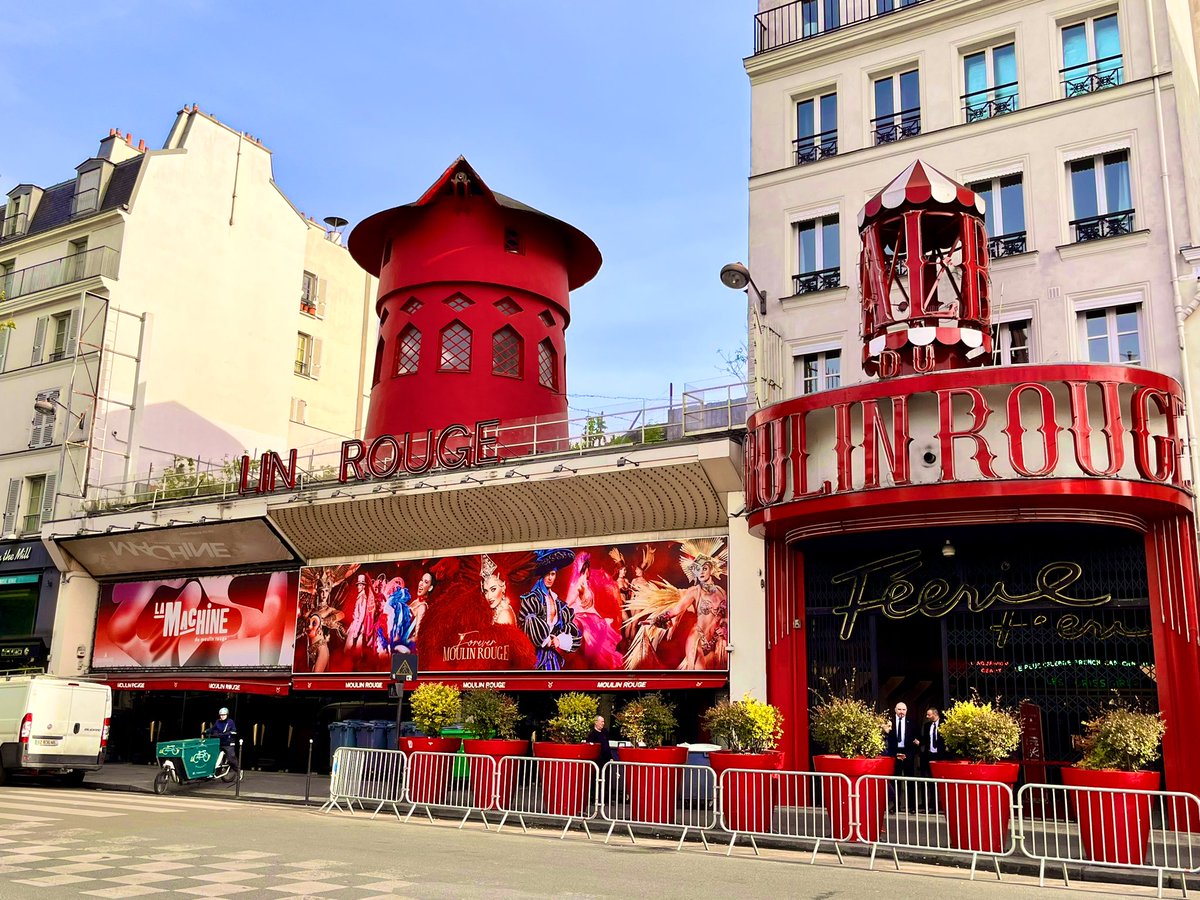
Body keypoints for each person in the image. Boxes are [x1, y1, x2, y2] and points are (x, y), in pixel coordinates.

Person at [519, 548, 581, 671]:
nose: (549, 578)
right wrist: (546, 641)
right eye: (546, 574)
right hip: (533, 657)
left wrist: (559, 640)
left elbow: (574, 633)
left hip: (552, 659)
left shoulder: (560, 604)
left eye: (552, 574)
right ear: (541, 575)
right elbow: (527, 624)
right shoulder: (531, 599)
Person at [886, 701, 918, 811]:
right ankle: (896, 805)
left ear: (906, 711)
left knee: (910, 781)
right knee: (896, 781)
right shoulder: (890, 723)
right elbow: (887, 742)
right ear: (895, 710)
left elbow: (916, 741)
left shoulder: (912, 723)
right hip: (895, 753)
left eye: (904, 710)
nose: (901, 712)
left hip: (908, 754)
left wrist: (908, 755)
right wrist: (895, 754)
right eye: (899, 709)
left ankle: (912, 806)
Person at [207, 707, 241, 779]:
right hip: (219, 742)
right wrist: (207, 731)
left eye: (224, 715)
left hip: (228, 743)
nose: (222, 716)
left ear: (227, 715)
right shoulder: (217, 722)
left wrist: (230, 733)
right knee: (214, 756)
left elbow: (234, 730)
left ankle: (238, 770)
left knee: (231, 757)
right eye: (221, 715)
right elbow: (213, 729)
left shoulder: (230, 722)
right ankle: (215, 772)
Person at [919, 706, 944, 780]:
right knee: (930, 775)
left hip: (940, 754)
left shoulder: (944, 723)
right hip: (930, 754)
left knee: (940, 775)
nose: (927, 717)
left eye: (929, 715)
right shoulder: (927, 725)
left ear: (935, 714)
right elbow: (926, 739)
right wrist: (919, 742)